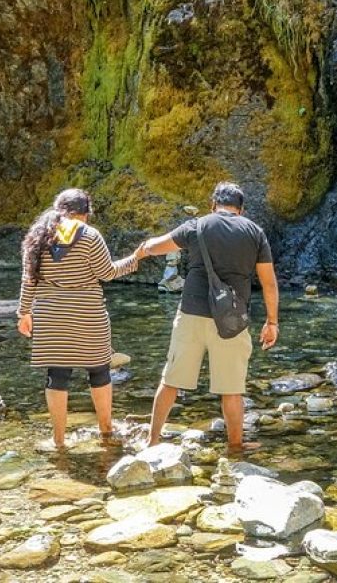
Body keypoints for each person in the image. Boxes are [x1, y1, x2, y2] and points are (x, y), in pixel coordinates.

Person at [141, 182, 278, 451]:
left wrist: (141, 250)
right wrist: (272, 321)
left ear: (213, 204)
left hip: (191, 313)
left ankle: (152, 441)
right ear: (242, 208)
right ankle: (236, 446)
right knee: (231, 388)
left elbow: (157, 246)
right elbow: (269, 282)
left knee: (170, 380)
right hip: (232, 320)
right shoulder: (255, 232)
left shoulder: (196, 225)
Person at [17, 189, 147, 449]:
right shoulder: (89, 235)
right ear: (85, 214)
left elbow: (29, 278)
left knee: (57, 375)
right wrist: (136, 259)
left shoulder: (39, 234)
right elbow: (107, 272)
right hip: (87, 314)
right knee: (99, 371)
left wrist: (24, 312)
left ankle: (59, 440)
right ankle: (106, 431)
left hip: (50, 316)